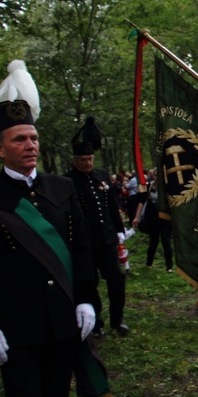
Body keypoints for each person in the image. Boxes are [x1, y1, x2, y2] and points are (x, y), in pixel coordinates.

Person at [0, 61, 97, 397]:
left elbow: (81, 249)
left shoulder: (61, 188)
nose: (30, 145)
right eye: (19, 139)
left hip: (61, 319)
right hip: (16, 326)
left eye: (33, 138)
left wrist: (86, 298)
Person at [65, 117, 130, 337]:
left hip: (107, 239)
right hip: (86, 242)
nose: (88, 163)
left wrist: (119, 230)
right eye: (83, 160)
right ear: (75, 160)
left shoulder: (101, 176)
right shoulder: (67, 181)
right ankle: (97, 323)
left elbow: (111, 205)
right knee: (89, 282)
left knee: (116, 279)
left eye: (90, 159)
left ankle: (117, 320)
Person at [133, 172, 174, 272]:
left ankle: (169, 267)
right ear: (153, 176)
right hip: (152, 219)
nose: (157, 177)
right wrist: (136, 217)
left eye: (159, 175)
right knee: (153, 242)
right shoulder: (148, 186)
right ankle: (149, 263)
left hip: (165, 219)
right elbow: (141, 202)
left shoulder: (167, 187)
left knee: (166, 241)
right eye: (155, 175)